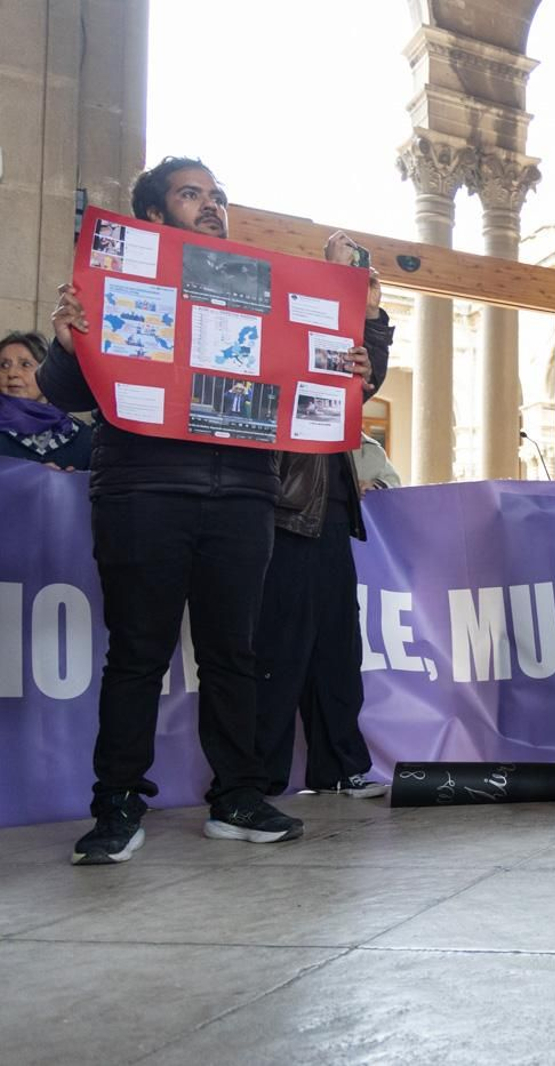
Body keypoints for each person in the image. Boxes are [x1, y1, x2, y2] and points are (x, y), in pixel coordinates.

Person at [39, 157, 312, 863]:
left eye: (218, 196)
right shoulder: (112, 285)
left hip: (245, 493)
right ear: (154, 217)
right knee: (137, 654)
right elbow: (68, 392)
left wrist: (347, 364)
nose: (212, 205)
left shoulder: (267, 295)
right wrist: (71, 341)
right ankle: (118, 805)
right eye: (192, 194)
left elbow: (309, 388)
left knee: (234, 655)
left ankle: (238, 797)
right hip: (143, 489)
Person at [251, 231, 393, 801]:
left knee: (337, 645)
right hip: (281, 501)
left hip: (331, 501)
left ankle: (339, 765)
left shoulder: (349, 338)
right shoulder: (272, 326)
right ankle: (257, 777)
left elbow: (366, 380)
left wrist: (373, 313)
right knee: (280, 648)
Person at [0, 330, 92, 469]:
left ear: (49, 371)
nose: (12, 374)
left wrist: (70, 484)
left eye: (25, 364)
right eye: (4, 366)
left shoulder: (82, 437)